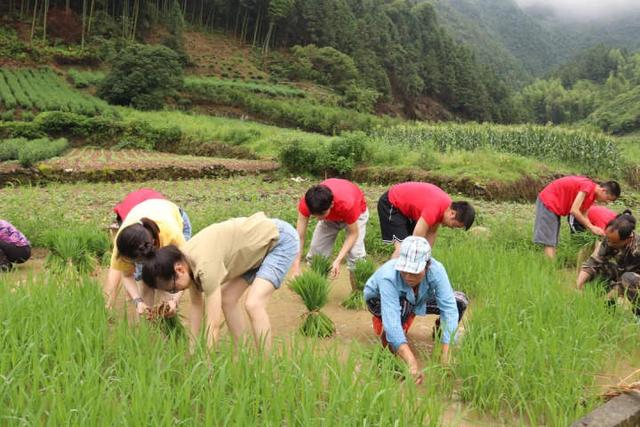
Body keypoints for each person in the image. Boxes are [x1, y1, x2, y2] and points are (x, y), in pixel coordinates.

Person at [141, 212, 299, 351]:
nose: (175, 293)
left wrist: (207, 365)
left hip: (278, 240)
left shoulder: (205, 266)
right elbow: (196, 306)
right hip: (253, 251)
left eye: (174, 289)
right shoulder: (186, 260)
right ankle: (241, 355)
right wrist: (192, 350)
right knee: (227, 298)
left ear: (179, 270)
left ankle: (264, 368)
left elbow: (213, 324)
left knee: (254, 303)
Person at [364, 236, 468, 383]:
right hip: (379, 301)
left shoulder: (436, 271)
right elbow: (392, 323)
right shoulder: (389, 276)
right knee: (400, 312)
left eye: (414, 272)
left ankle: (440, 336)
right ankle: (389, 350)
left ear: (427, 265)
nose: (408, 276)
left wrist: (446, 354)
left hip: (416, 300)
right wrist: (412, 363)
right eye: (404, 270)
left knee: (459, 301)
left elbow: (449, 309)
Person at [105, 198, 192, 320]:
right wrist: (138, 302)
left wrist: (174, 300)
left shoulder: (172, 236)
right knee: (146, 285)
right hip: (147, 227)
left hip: (176, 220)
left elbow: (187, 272)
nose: (135, 265)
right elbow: (126, 275)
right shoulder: (123, 244)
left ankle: (168, 324)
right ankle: (147, 329)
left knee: (166, 281)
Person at [291, 179, 368, 291]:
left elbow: (353, 234)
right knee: (317, 253)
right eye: (314, 215)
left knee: (356, 255)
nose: (318, 219)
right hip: (331, 217)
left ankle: (358, 294)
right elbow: (299, 236)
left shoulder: (347, 204)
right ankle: (314, 291)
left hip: (356, 215)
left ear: (331, 204)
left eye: (320, 215)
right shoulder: (308, 203)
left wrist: (338, 260)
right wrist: (296, 266)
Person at [377, 182, 475, 257]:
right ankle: (386, 280)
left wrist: (426, 257)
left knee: (413, 252)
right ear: (452, 213)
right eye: (454, 225)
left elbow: (431, 233)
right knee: (404, 249)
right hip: (392, 202)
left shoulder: (445, 207)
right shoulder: (434, 209)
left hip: (406, 209)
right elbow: (416, 239)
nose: (452, 228)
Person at [534, 176, 620, 258]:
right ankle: (550, 269)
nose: (606, 202)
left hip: (555, 206)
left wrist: (592, 228)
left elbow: (584, 214)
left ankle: (550, 266)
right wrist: (591, 227)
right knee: (549, 241)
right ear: (603, 190)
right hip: (549, 201)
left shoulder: (592, 196)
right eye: (608, 198)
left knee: (552, 240)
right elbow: (574, 210)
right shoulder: (588, 186)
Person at [576, 212, 640, 318]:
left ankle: (638, 312)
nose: (609, 244)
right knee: (603, 269)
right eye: (608, 240)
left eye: (614, 243)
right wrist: (578, 286)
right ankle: (606, 310)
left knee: (628, 278)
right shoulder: (610, 239)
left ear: (628, 240)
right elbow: (593, 262)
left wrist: (608, 296)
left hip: (634, 278)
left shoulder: (637, 248)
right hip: (625, 273)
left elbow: (623, 282)